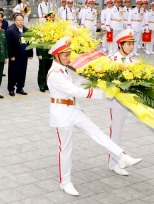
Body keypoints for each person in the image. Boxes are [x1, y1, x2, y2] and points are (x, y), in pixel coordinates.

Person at [47, 36, 142, 196]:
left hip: (73, 109)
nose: (69, 57)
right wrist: (98, 92)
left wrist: (89, 79)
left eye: (69, 54)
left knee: (97, 132)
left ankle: (121, 156)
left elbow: (75, 86)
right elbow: (74, 91)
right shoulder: (55, 73)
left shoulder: (62, 69)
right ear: (56, 56)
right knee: (65, 149)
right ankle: (65, 182)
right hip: (62, 113)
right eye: (65, 55)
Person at [106, 29, 154, 176]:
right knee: (116, 131)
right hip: (118, 101)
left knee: (151, 120)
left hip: (134, 99)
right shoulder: (110, 61)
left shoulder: (135, 61)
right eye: (128, 44)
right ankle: (114, 163)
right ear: (120, 45)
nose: (131, 47)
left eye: (132, 44)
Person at [7, 13, 33, 96]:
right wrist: (11, 55)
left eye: (22, 20)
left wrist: (30, 53)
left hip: (24, 56)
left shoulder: (26, 30)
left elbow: (30, 42)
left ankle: (20, 88)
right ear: (15, 21)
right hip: (15, 56)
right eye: (18, 20)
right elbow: (9, 44)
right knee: (13, 73)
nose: (20, 22)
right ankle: (11, 88)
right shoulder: (11, 30)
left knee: (22, 73)